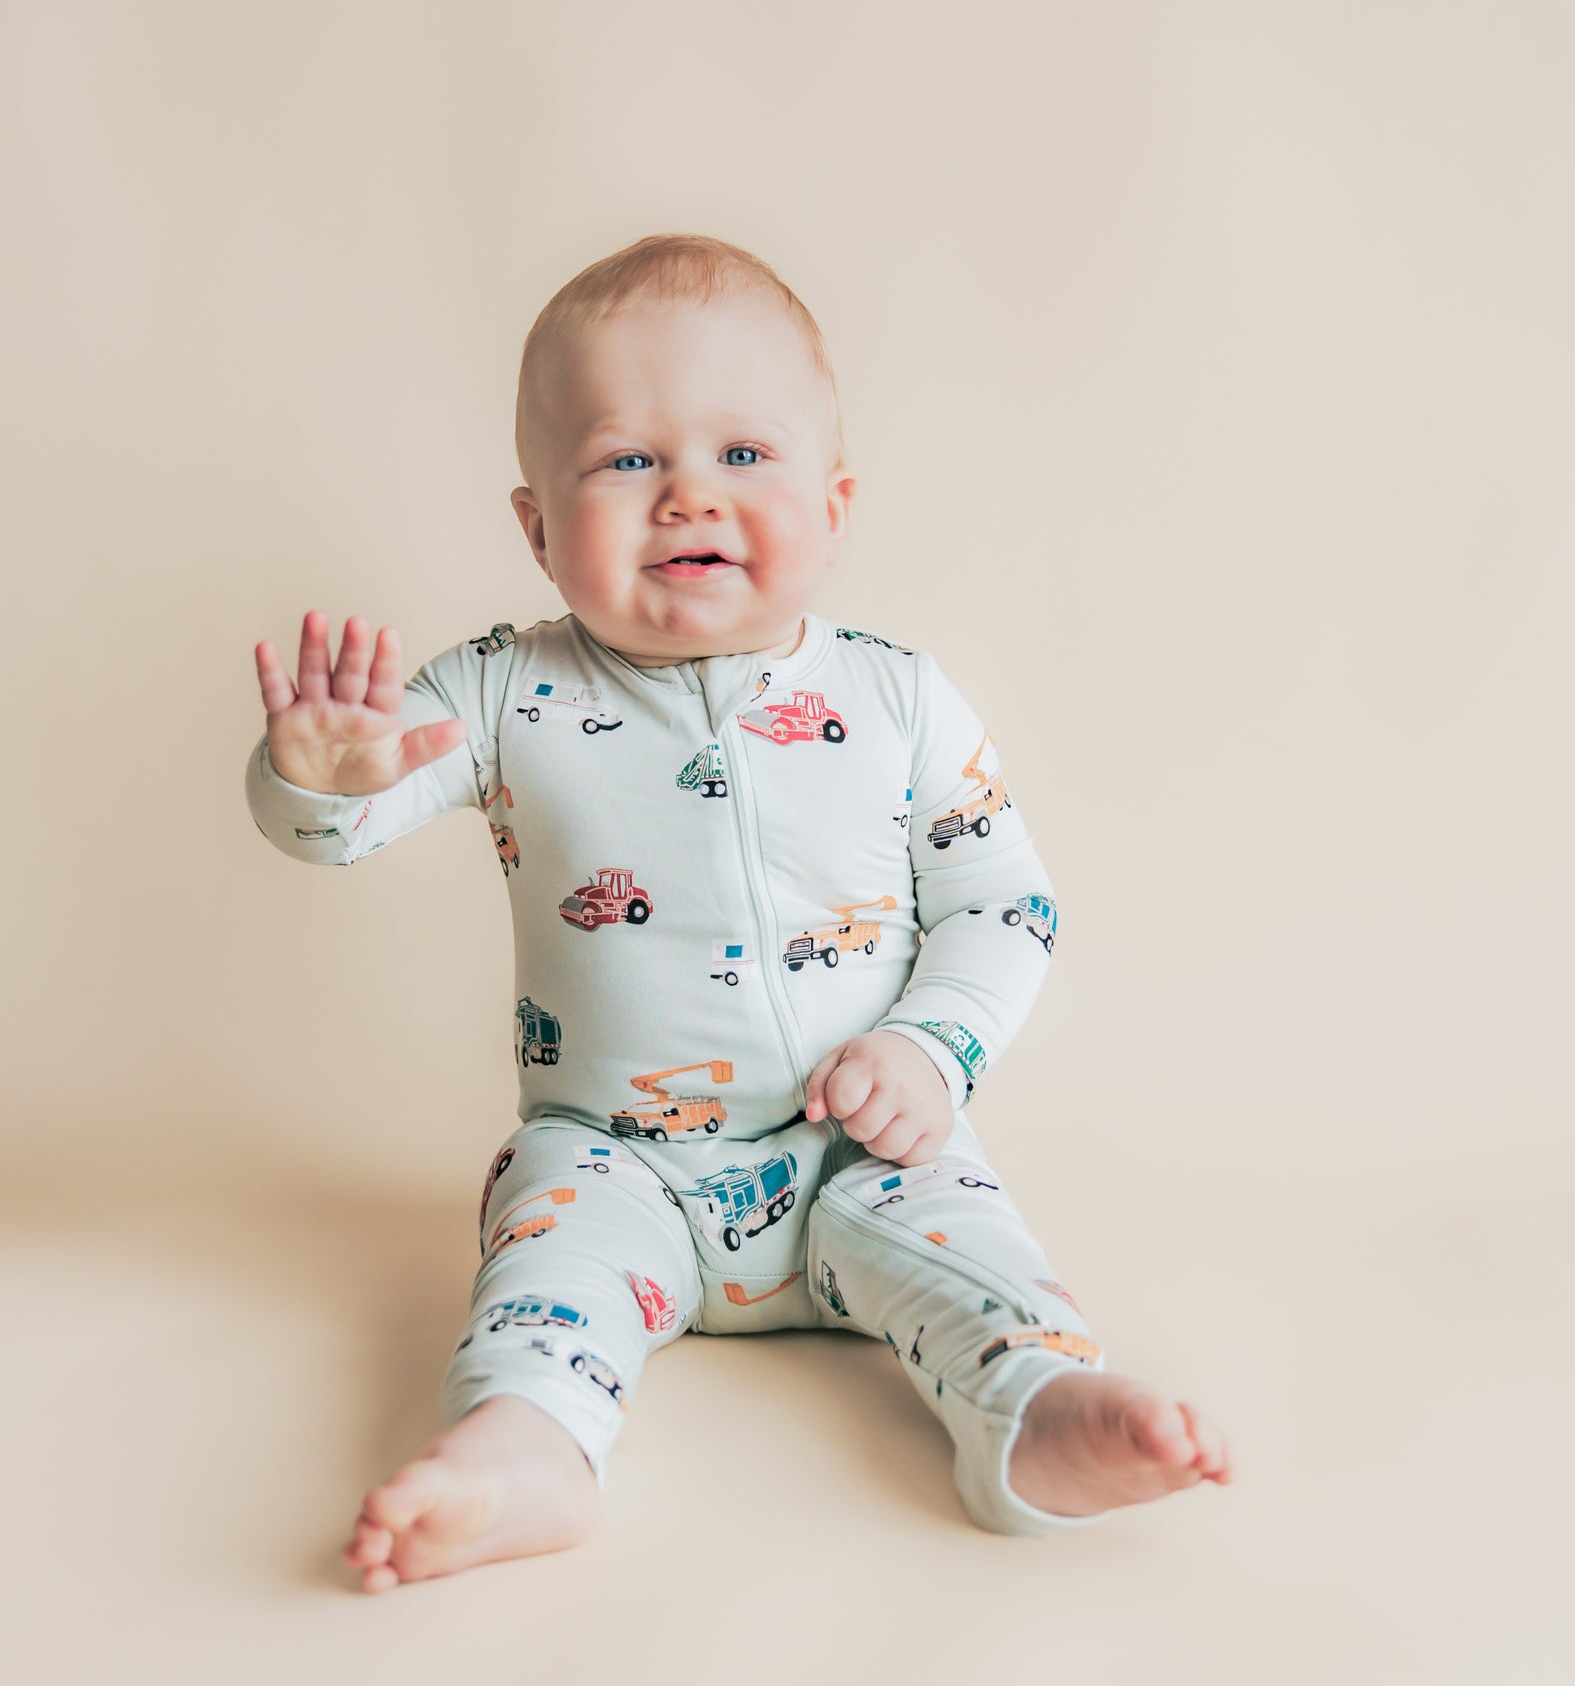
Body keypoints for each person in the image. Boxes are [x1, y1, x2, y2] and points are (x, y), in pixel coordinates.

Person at [244, 234, 1233, 1594]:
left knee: (973, 1244)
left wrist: (933, 1054)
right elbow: (340, 823)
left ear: (834, 507)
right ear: (537, 526)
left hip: (853, 1149)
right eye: (626, 460)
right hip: (614, 1163)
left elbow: (1005, 901)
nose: (686, 495)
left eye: (742, 457)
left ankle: (1036, 1411)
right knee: (543, 1279)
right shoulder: (493, 690)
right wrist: (316, 774)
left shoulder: (898, 700)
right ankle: (526, 1451)